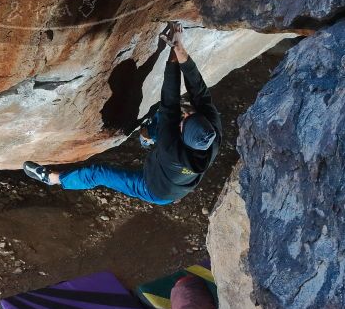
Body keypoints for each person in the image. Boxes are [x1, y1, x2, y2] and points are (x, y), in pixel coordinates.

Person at [23, 21, 222, 205]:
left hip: (154, 189)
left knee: (98, 173)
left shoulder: (172, 151)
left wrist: (173, 54)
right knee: (171, 114)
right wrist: (179, 49)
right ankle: (147, 137)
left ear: (181, 136)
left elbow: (169, 100)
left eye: (184, 122)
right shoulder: (211, 136)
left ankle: (51, 178)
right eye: (190, 116)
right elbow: (199, 90)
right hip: (173, 172)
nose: (186, 116)